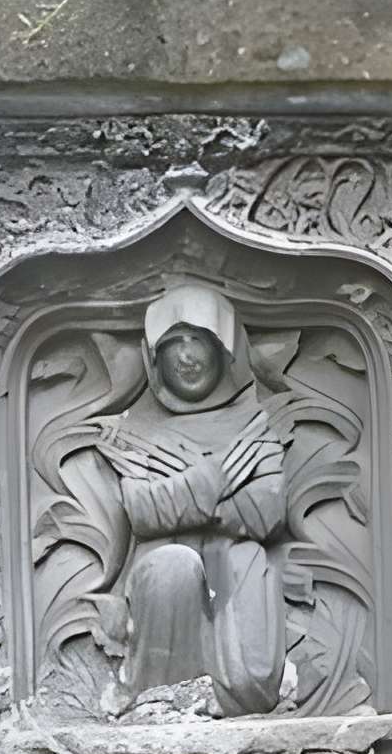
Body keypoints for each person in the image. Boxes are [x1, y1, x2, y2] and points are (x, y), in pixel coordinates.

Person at [83, 284, 292, 714]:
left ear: (225, 350)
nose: (186, 356)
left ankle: (234, 697)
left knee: (243, 562)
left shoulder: (252, 426)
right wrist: (213, 481)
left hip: (229, 560)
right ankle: (161, 705)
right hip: (161, 569)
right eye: (173, 343)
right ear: (154, 358)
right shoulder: (137, 432)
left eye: (199, 340)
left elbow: (268, 508)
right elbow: (143, 510)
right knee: (173, 567)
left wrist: (185, 501)